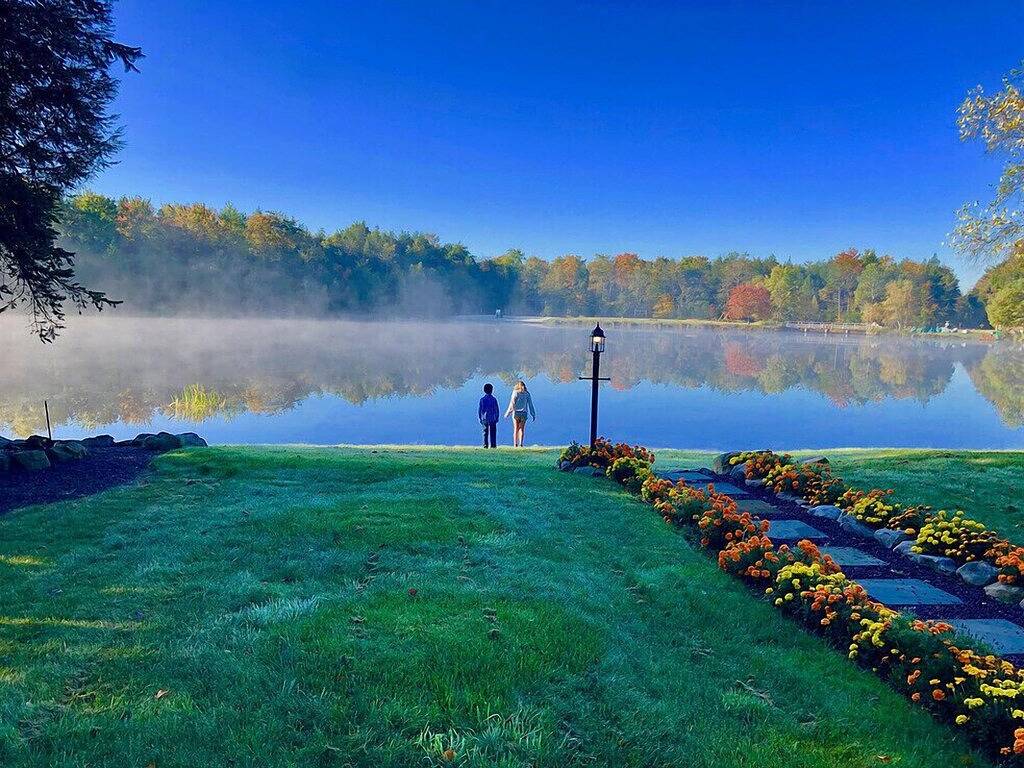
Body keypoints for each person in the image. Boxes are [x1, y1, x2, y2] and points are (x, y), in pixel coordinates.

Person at [504, 380, 536, 447]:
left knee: (516, 429)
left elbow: (512, 404)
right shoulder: (527, 394)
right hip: (524, 413)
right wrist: (533, 414)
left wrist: (508, 413)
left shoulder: (515, 393)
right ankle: (521, 444)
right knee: (521, 429)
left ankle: (515, 444)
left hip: (516, 413)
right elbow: (530, 405)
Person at [478, 383, 500, 448]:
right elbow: (496, 409)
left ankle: (485, 445)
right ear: (492, 390)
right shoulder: (494, 399)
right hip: (492, 418)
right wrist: (497, 417)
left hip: (484, 418)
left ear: (484, 390)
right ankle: (493, 445)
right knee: (493, 432)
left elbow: (480, 410)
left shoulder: (482, 399)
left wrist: (480, 418)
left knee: (485, 432)